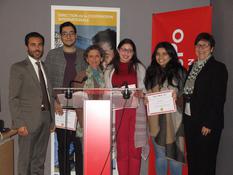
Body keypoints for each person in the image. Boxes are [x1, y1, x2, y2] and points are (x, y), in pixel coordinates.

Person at [9, 32, 55, 175]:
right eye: (33, 45)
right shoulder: (18, 67)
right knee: (25, 160)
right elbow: (13, 97)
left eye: (40, 45)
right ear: (26, 47)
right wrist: (19, 123)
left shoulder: (45, 67)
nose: (37, 48)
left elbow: (49, 94)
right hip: (27, 122)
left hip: (45, 118)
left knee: (39, 160)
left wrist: (51, 119)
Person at [45, 21, 87, 175]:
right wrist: (54, 101)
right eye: (65, 33)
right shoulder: (52, 55)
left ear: (75, 35)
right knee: (62, 147)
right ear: (60, 36)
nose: (68, 36)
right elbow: (47, 81)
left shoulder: (84, 55)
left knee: (80, 146)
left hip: (80, 109)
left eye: (71, 33)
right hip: (60, 108)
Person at [183, 32, 228, 175]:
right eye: (198, 45)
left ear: (212, 48)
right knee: (193, 161)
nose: (200, 48)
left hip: (207, 124)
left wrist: (209, 123)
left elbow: (218, 98)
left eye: (205, 45)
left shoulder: (218, 68)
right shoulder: (192, 67)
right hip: (190, 121)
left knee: (206, 164)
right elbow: (189, 93)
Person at [104, 38, 148, 175]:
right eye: (124, 49)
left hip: (136, 112)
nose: (126, 53)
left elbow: (144, 90)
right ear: (118, 51)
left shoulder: (139, 68)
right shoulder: (109, 69)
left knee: (135, 150)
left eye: (130, 50)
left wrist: (142, 93)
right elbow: (106, 91)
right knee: (122, 150)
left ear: (133, 53)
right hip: (117, 113)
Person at [144, 42, 186, 175]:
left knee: (175, 158)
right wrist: (146, 99)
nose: (160, 57)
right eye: (157, 54)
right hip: (156, 121)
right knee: (160, 157)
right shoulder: (151, 73)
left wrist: (178, 97)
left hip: (175, 121)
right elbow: (147, 93)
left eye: (164, 54)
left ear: (171, 55)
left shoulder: (180, 72)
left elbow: (188, 96)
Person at [73, 44, 105, 136]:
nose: (94, 59)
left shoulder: (106, 75)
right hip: (86, 120)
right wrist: (83, 123)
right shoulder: (81, 76)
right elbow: (77, 102)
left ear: (101, 58)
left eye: (97, 56)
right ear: (87, 59)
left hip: (103, 119)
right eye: (91, 56)